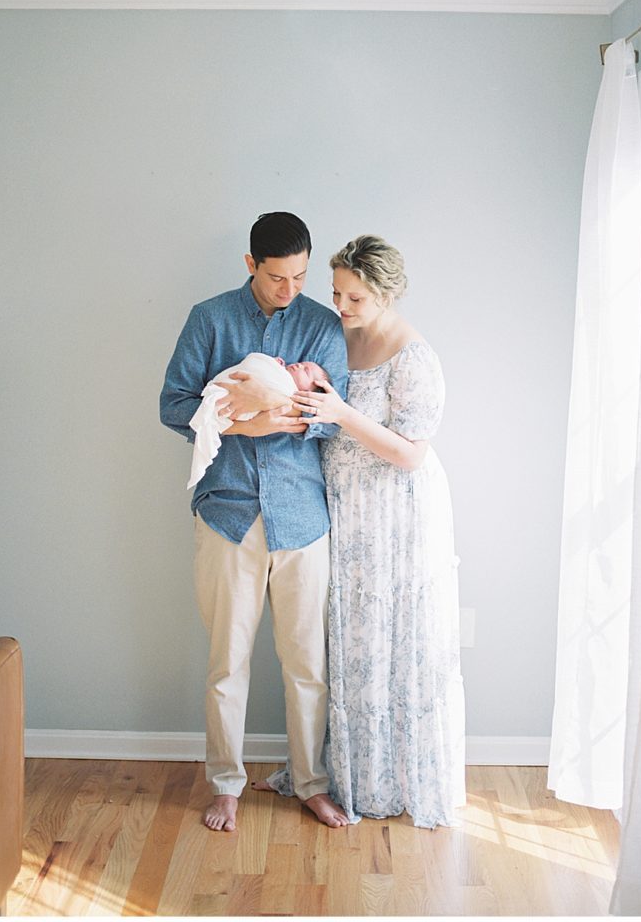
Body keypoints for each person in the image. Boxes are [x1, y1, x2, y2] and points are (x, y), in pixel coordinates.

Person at [259, 235, 466, 828]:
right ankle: (344, 772)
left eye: (354, 297)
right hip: (343, 507)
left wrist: (342, 414)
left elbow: (411, 455)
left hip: (396, 513)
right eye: (337, 293)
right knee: (344, 639)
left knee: (391, 638)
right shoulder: (337, 338)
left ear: (386, 294)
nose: (341, 307)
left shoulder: (414, 356)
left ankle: (392, 777)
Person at [159, 211, 350, 832]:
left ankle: (311, 783)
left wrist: (271, 412)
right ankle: (225, 786)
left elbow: (329, 416)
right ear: (250, 266)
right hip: (228, 513)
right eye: (276, 278)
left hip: (302, 517)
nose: (289, 290)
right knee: (227, 661)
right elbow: (174, 404)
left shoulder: (323, 324)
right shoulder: (209, 318)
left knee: (307, 665)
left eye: (298, 276)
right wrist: (244, 420)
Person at [187, 353, 330, 489]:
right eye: (301, 364)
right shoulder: (278, 370)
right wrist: (247, 427)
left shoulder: (326, 336)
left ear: (310, 393)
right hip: (225, 494)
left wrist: (272, 399)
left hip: (295, 491)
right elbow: (173, 407)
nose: (299, 365)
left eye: (306, 371)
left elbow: (332, 421)